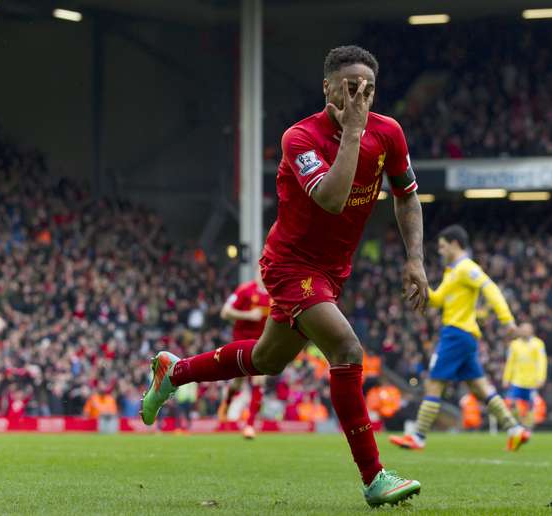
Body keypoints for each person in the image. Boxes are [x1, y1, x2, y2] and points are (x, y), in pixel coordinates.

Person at [140, 45, 428, 507]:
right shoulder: (300, 138)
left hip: (334, 270)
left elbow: (406, 195)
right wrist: (352, 133)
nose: (361, 96)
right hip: (291, 264)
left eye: (369, 89)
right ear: (328, 87)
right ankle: (375, 477)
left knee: (268, 359)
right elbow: (332, 200)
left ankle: (175, 372)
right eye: (351, 86)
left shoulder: (389, 133)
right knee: (347, 348)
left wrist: (415, 258)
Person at [389, 225, 529, 451]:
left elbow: (490, 288)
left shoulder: (466, 268)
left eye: (443, 246)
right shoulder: (452, 272)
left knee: (434, 382)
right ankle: (515, 429)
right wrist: (417, 288)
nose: (440, 251)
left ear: (455, 243)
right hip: (464, 335)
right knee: (480, 387)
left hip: (456, 333)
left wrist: (508, 321)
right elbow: (437, 300)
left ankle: (418, 436)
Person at [218, 273, 271, 439]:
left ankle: (250, 425)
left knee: (259, 380)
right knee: (238, 384)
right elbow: (225, 312)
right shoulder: (245, 290)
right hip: (241, 344)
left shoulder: (275, 293)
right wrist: (248, 315)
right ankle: (227, 403)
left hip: (261, 345)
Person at [502, 322, 547, 429]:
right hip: (517, 380)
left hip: (532, 382)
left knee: (530, 405)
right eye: (523, 329)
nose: (524, 331)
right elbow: (510, 362)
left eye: (527, 329)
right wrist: (506, 378)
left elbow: (542, 362)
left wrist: (541, 378)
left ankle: (528, 426)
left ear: (532, 331)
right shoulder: (514, 345)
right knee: (512, 402)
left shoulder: (538, 344)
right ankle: (517, 424)